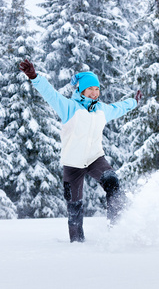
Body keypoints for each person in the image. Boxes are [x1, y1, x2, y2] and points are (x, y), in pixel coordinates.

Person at [19, 59, 142, 243]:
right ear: (81, 90)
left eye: (97, 89)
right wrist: (34, 77)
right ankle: (77, 245)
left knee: (113, 183)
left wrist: (134, 102)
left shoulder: (102, 110)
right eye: (90, 89)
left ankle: (116, 230)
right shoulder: (69, 108)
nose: (94, 93)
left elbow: (119, 108)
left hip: (95, 159)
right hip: (72, 165)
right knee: (74, 207)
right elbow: (51, 94)